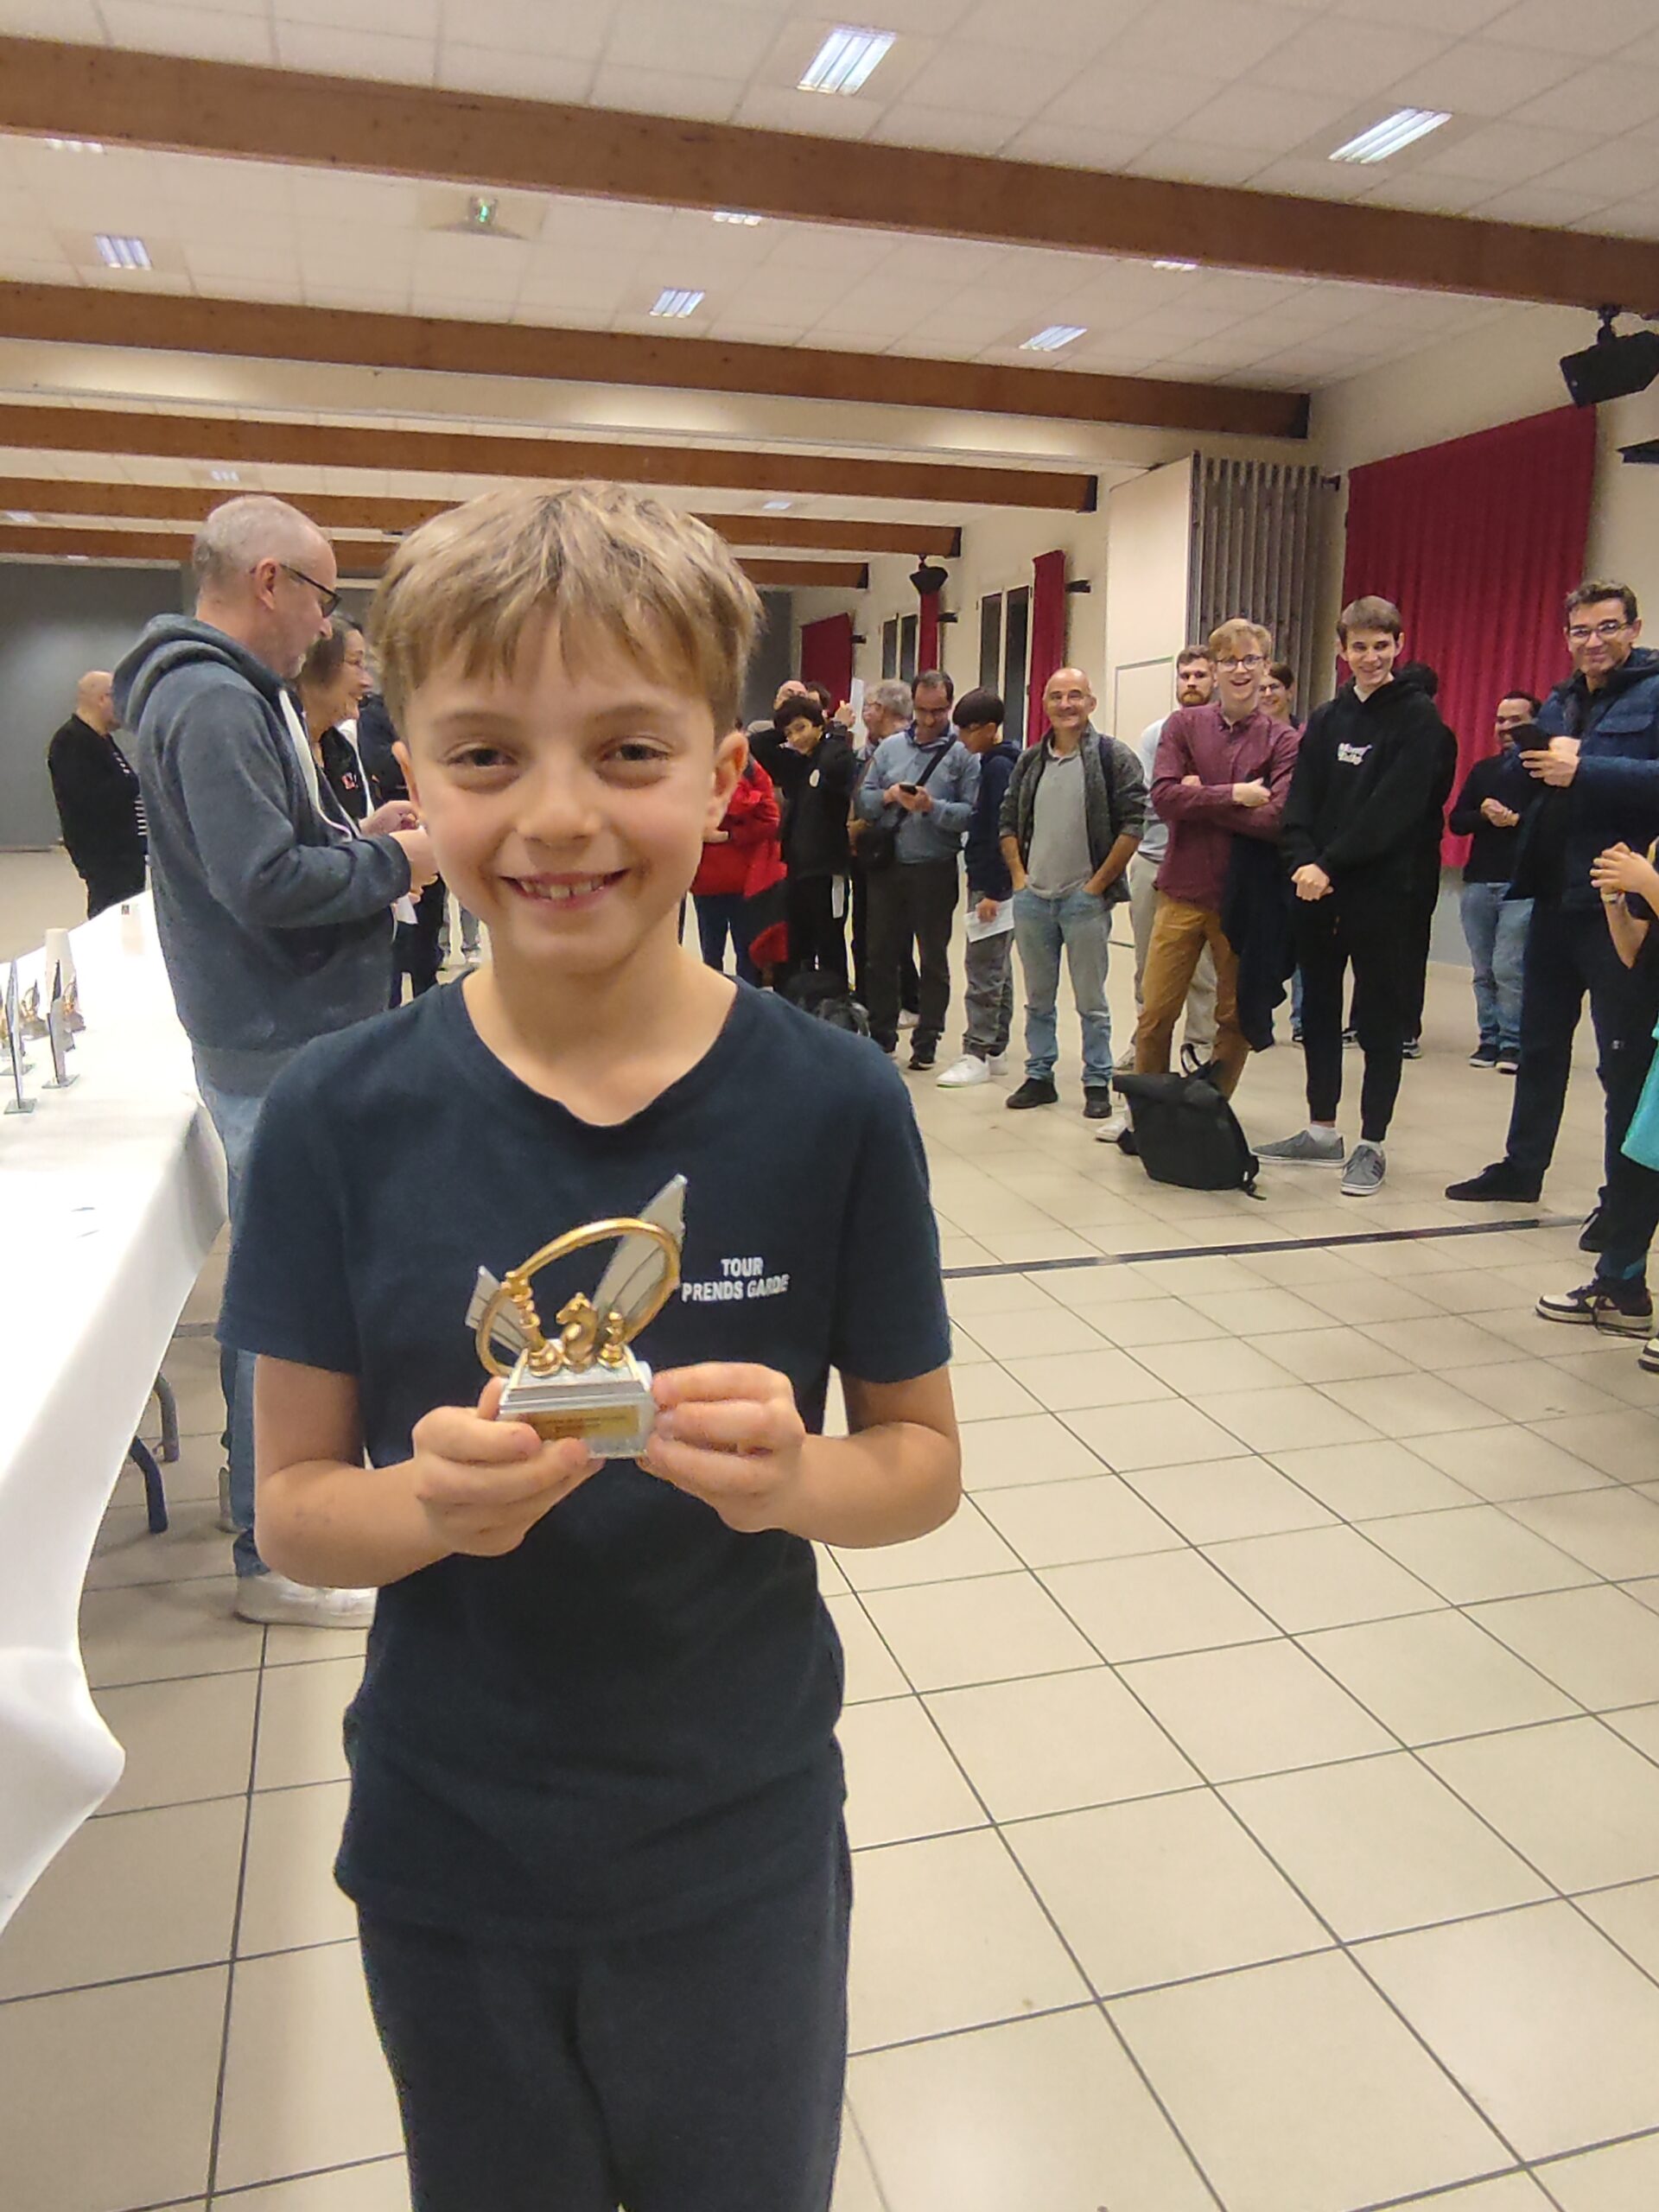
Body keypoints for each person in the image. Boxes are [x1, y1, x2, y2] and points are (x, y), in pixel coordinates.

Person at [218, 481, 959, 2212]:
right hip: (451, 1845)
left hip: (739, 1844)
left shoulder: (836, 1102)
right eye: (487, 755)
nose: (558, 816)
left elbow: (920, 1463)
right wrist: (429, 1506)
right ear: (410, 775)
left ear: (724, 772)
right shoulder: (336, 1115)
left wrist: (794, 1478)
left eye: (628, 751)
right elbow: (297, 1508)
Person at [114, 493, 435, 1629]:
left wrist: (357, 838)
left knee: (286, 1276)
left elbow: (269, 851)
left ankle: (259, 1498)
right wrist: (400, 866)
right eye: (323, 595)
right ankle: (277, 1553)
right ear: (268, 581)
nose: (326, 623)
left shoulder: (217, 691)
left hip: (273, 1026)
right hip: (279, 1032)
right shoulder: (213, 700)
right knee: (295, 1291)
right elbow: (261, 885)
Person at [1448, 582, 1659, 1214]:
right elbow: (1538, 781)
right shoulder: (1563, 699)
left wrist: (1585, 765)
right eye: (1581, 631)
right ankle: (1522, 1168)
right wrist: (1528, 760)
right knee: (1538, 1046)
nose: (1594, 641)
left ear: (1634, 628)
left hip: (1616, 904)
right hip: (1550, 894)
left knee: (1622, 1059)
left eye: (1608, 627)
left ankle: (1621, 1203)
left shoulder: (1655, 692)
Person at [1257, 595, 1454, 1198]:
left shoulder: (1418, 720)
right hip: (1317, 890)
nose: (1371, 657)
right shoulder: (1327, 717)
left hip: (1383, 894)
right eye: (1360, 647)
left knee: (1378, 1018)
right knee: (1317, 1010)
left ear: (1399, 645)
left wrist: (1330, 863)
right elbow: (1302, 798)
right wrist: (1301, 859)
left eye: (1382, 646)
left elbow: (1395, 809)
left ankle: (1372, 1141)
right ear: (1342, 650)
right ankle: (1321, 1130)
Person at [1133, 620, 1300, 1100]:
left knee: (1233, 1016)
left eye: (1251, 660)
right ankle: (1150, 1111)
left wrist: (1201, 796)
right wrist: (1236, 795)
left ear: (1265, 667)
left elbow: (1277, 819)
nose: (1240, 670)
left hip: (1243, 901)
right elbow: (1164, 798)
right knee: (1155, 1014)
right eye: (1229, 661)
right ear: (1215, 668)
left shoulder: (1283, 740)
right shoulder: (1183, 726)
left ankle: (1212, 1108)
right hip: (1181, 892)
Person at [999, 665, 1143, 1123]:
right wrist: (1019, 879)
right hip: (1033, 901)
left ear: (1091, 703)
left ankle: (1097, 1080)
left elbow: (1133, 824)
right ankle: (1039, 1074)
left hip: (1084, 903)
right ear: (1044, 704)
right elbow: (1007, 821)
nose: (1066, 705)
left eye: (1075, 695)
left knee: (1091, 1001)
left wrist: (1096, 886)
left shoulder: (1112, 758)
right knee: (1038, 999)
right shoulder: (1030, 762)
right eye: (1057, 696)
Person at [1536, 836, 1659, 1341]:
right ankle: (1621, 1286)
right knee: (1638, 1161)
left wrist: (1648, 882)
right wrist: (1614, 897)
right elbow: (1635, 951)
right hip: (1648, 1021)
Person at [855, 669, 979, 1071]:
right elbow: (863, 801)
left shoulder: (962, 755)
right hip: (888, 866)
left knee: (933, 958)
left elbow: (971, 815)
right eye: (922, 711)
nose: (929, 720)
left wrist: (932, 807)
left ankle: (928, 1040)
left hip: (934, 868)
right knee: (880, 954)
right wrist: (889, 796)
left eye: (938, 712)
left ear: (949, 707)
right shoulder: (890, 749)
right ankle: (882, 1036)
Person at [1128, 648, 1217, 1065]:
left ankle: (1199, 1048)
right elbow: (1152, 799)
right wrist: (1198, 794)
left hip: (1206, 863)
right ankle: (1143, 1044)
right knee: (1148, 963)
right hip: (1153, 859)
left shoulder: (1225, 734)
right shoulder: (1156, 734)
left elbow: (1238, 801)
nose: (1192, 683)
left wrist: (1190, 794)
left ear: (1214, 679)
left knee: (1203, 970)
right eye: (1185, 676)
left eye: (1200, 675)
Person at [1448, 690, 1540, 1071]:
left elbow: (1555, 826)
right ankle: (1489, 1038)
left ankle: (1513, 1043)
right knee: (1483, 969)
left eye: (1516, 720)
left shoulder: (1544, 773)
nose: (1505, 728)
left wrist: (1516, 820)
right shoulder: (1483, 771)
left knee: (1508, 966)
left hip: (1522, 883)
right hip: (1479, 881)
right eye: (1501, 720)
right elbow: (1457, 821)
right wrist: (1484, 815)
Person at [937, 688, 1017, 1089]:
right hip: (994, 882)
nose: (962, 739)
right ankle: (997, 1046)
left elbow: (998, 831)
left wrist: (992, 890)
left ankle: (978, 1051)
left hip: (992, 885)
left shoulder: (999, 768)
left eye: (968, 731)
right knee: (998, 966)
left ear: (989, 728)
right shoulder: (994, 763)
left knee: (983, 968)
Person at [359, 687, 448, 1000]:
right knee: (396, 935)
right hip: (392, 832)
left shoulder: (427, 708)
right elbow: (381, 764)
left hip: (431, 828)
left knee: (430, 922)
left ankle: (428, 992)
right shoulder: (372, 716)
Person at [1393, 661, 1459, 1059]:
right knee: (1377, 939)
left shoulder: (1438, 737)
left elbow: (1429, 794)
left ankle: (1403, 1027)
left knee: (1410, 940)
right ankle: (1372, 1021)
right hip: (1388, 851)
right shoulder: (1387, 731)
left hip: (1416, 849)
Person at [770, 693, 857, 988]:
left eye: (801, 728)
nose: (795, 738)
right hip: (797, 870)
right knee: (798, 944)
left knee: (829, 940)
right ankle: (802, 1001)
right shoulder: (798, 764)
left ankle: (835, 1000)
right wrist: (783, 720)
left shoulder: (835, 752)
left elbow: (835, 766)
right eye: (789, 733)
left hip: (828, 870)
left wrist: (837, 729)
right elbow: (759, 746)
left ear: (819, 725)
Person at [47, 669, 147, 917]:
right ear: (103, 699)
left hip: (126, 857)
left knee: (127, 919)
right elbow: (89, 800)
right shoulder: (71, 742)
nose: (123, 708)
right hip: (106, 859)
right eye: (119, 699)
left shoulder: (102, 740)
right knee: (110, 919)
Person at [846, 679, 918, 1015]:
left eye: (871, 707)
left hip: (893, 849)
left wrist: (866, 819)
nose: (865, 714)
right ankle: (868, 997)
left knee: (893, 936)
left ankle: (905, 1000)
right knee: (866, 930)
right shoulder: (867, 750)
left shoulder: (904, 748)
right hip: (866, 850)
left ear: (887, 710)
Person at [691, 741, 780, 985]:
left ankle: (712, 1000)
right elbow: (770, 820)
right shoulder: (751, 770)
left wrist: (723, 835)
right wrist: (734, 835)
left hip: (714, 877)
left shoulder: (694, 765)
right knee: (742, 952)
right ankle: (743, 1002)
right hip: (736, 876)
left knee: (715, 951)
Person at [297, 617, 375, 823]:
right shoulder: (277, 746)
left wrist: (368, 830)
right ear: (315, 668)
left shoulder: (341, 749)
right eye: (356, 663)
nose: (368, 682)